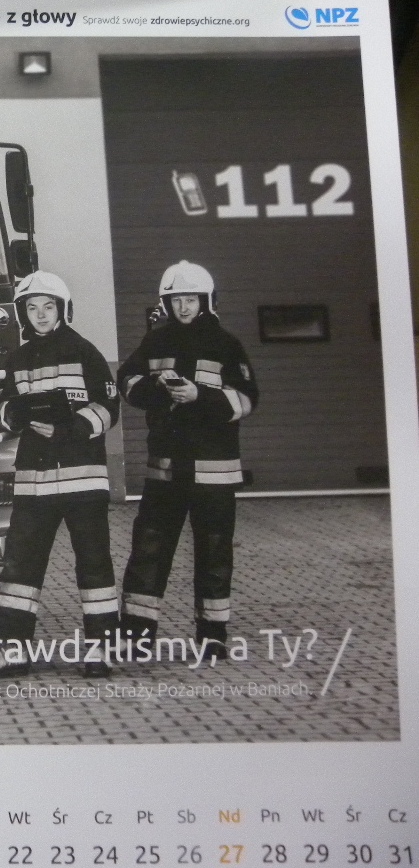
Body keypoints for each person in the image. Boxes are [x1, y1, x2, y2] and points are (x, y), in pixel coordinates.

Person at [117, 260, 259, 659]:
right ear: (166, 302)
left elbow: (247, 398)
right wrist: (155, 391)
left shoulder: (226, 344)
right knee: (149, 548)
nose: (183, 307)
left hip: (214, 471)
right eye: (176, 299)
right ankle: (137, 635)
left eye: (191, 299)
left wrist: (201, 396)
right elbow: (126, 380)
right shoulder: (154, 342)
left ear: (206, 301)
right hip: (165, 469)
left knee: (214, 552)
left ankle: (212, 636)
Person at [0, 271, 121, 679]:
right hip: (34, 482)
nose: (41, 315)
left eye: (48, 307)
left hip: (83, 481)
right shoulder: (18, 359)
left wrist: (68, 429)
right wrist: (13, 414)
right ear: (23, 313)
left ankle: (102, 651)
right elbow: (4, 405)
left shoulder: (86, 353)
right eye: (32, 308)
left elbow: (108, 408)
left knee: (94, 567)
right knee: (19, 569)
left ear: (62, 309)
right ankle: (11, 651)